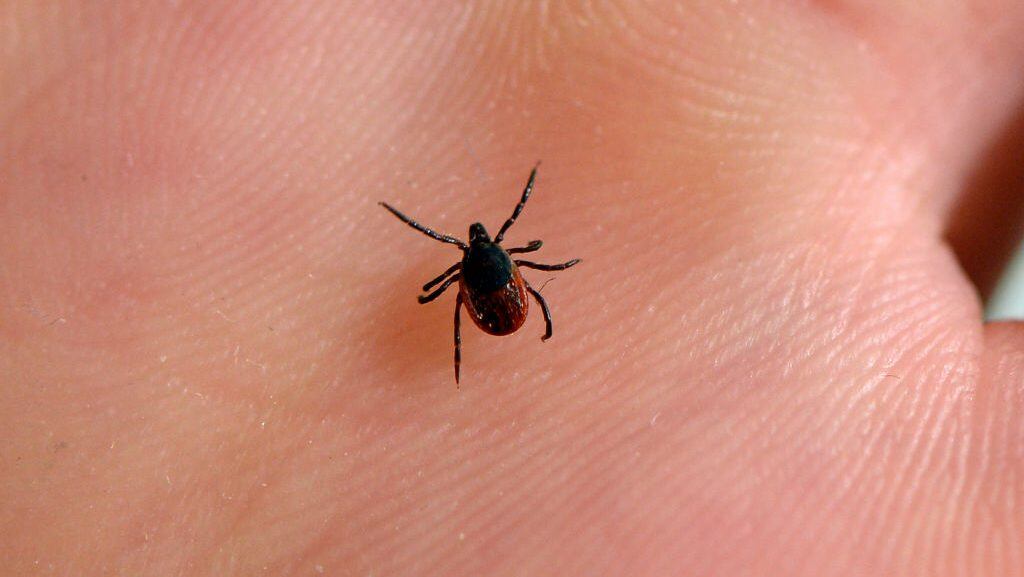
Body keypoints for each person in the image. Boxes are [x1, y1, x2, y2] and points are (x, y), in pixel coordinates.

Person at [2, 2, 1022, 575]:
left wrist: (472, 313)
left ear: (482, 268)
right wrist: (528, 312)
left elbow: (435, 304)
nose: (488, 256)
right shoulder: (506, 271)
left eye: (485, 254)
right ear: (500, 269)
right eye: (490, 257)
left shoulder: (466, 280)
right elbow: (503, 282)